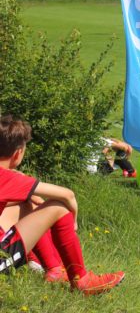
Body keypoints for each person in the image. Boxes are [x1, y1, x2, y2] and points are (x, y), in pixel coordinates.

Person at [0, 116, 125, 295]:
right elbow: (68, 194)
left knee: (27, 201)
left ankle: (55, 269)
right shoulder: (7, 178)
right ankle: (81, 280)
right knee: (59, 206)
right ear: (17, 154)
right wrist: (72, 220)